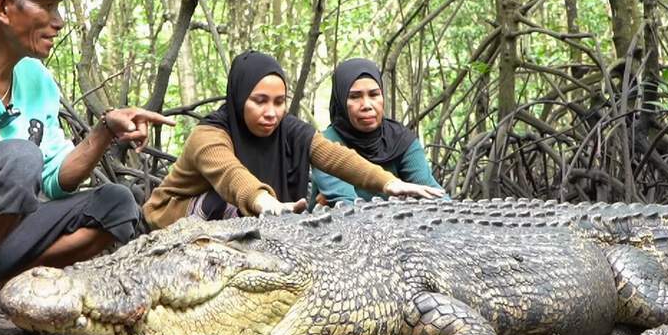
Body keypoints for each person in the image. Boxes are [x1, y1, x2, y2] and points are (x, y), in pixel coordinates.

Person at [0, 0, 175, 309]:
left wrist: (105, 131)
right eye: (48, 6)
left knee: (117, 203)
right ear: (3, 8)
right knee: (19, 158)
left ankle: (5, 283)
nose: (59, 21)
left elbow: (55, 178)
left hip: (1, 236)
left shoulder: (38, 80)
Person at [143, 51, 443, 229]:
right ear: (239, 97)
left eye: (279, 102)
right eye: (259, 101)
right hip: (173, 215)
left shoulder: (288, 129)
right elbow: (231, 176)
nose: (271, 113)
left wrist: (388, 183)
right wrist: (262, 201)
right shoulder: (208, 136)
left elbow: (333, 155)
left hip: (255, 212)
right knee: (227, 204)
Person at [311, 58, 443, 208]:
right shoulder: (325, 144)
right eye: (354, 96)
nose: (367, 105)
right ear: (340, 101)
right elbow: (346, 202)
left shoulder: (401, 140)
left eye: (374, 94)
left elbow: (430, 190)